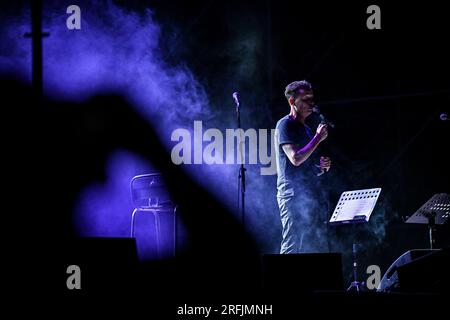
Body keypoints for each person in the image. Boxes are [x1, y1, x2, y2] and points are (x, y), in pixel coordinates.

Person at [275, 80, 331, 253]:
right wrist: (317, 138)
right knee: (292, 246)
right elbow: (296, 158)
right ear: (292, 102)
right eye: (305, 99)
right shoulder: (285, 125)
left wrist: (320, 168)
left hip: (307, 195)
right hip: (291, 195)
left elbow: (305, 166)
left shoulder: (305, 129)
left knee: (309, 246)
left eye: (312, 98)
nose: (311, 103)